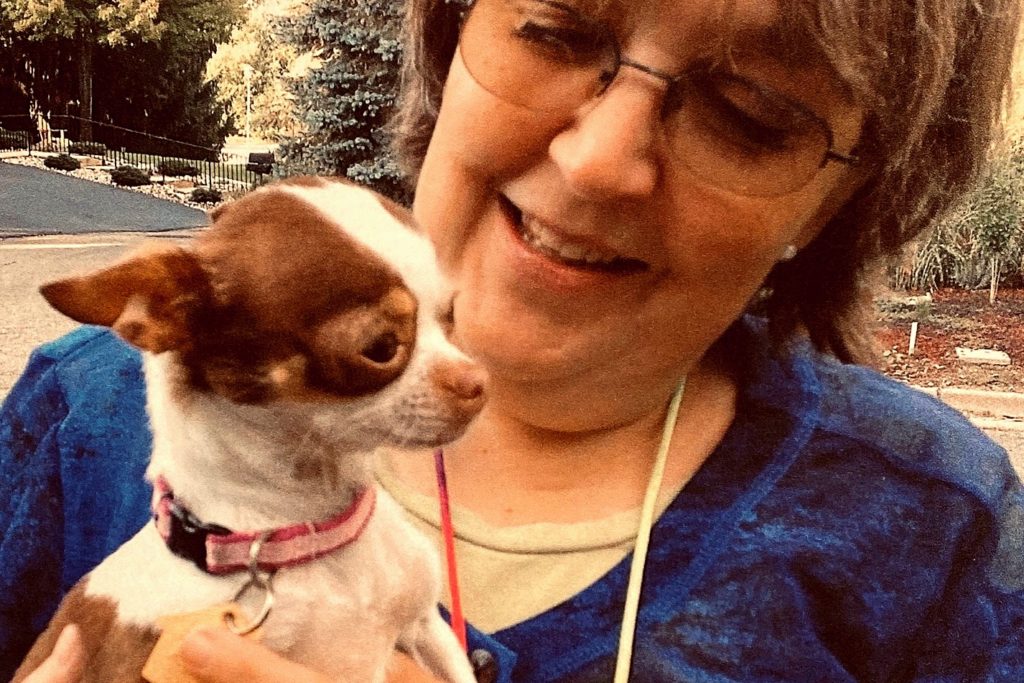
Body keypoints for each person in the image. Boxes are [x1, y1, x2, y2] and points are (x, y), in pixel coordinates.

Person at [5, 0, 1023, 679]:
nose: (595, 161)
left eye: (748, 113)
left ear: (842, 196)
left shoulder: (932, 530)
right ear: (451, 39)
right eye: (554, 29)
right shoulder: (83, 413)